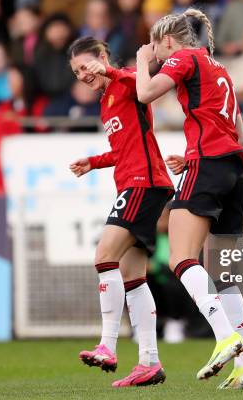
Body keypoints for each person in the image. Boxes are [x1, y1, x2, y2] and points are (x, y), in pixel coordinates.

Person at [134, 8, 243, 388]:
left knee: (180, 257)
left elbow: (144, 93)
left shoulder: (183, 56)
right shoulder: (219, 68)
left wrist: (142, 62)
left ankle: (226, 337)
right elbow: (234, 129)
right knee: (223, 275)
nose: (152, 53)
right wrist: (195, 159)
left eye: (155, 46)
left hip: (209, 165)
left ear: (167, 40)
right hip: (235, 169)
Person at [68, 37, 174, 387]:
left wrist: (110, 71)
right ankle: (149, 362)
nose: (83, 75)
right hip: (137, 182)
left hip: (143, 183)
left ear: (101, 57)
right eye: (76, 71)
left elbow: (143, 86)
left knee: (104, 256)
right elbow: (122, 148)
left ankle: (108, 345)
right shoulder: (106, 103)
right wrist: (94, 162)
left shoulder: (128, 79)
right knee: (133, 277)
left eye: (86, 66)